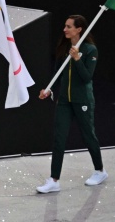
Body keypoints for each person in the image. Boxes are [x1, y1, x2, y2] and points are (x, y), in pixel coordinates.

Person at [36, 15, 107, 194]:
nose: (65, 29)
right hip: (64, 101)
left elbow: (86, 77)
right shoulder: (64, 48)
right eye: (65, 26)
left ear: (79, 29)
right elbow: (57, 73)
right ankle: (54, 180)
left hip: (83, 100)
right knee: (59, 139)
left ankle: (100, 171)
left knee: (88, 136)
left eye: (69, 27)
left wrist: (76, 59)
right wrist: (49, 89)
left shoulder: (90, 50)